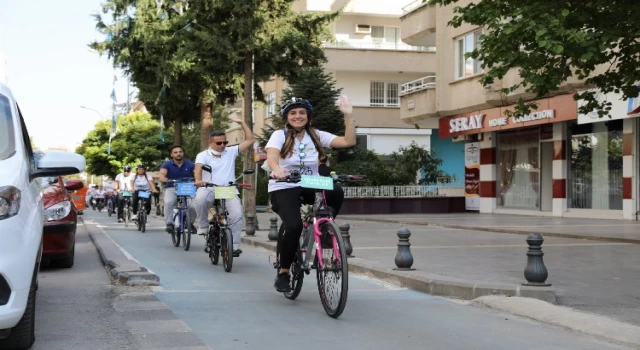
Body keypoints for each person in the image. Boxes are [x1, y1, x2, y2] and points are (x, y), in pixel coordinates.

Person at [266, 95, 356, 292]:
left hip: (309, 182)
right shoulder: (279, 135)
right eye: (293, 113)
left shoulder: (316, 135)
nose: (298, 116)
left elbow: (348, 141)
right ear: (287, 117)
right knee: (294, 225)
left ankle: (324, 229)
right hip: (284, 185)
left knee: (336, 192)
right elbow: (272, 155)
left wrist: (348, 116)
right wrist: (277, 168)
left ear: (308, 116)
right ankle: (283, 272)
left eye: (302, 113)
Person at [194, 112, 254, 257]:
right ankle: (202, 225)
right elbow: (198, 169)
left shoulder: (231, 151)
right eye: (219, 143)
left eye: (224, 142)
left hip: (227, 189)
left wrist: (241, 123)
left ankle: (234, 246)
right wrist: (199, 181)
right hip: (209, 187)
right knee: (200, 200)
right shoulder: (203, 155)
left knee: (237, 214)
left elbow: (250, 140)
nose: (222, 145)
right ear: (210, 142)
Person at [159, 145, 197, 233]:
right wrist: (163, 178)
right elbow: (162, 174)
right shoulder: (167, 164)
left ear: (183, 153)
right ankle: (169, 223)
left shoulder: (190, 164)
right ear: (172, 155)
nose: (178, 154)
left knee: (194, 205)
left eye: (180, 152)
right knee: (168, 202)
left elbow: (196, 173)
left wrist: (197, 179)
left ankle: (189, 222)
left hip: (187, 187)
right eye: (175, 152)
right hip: (172, 187)